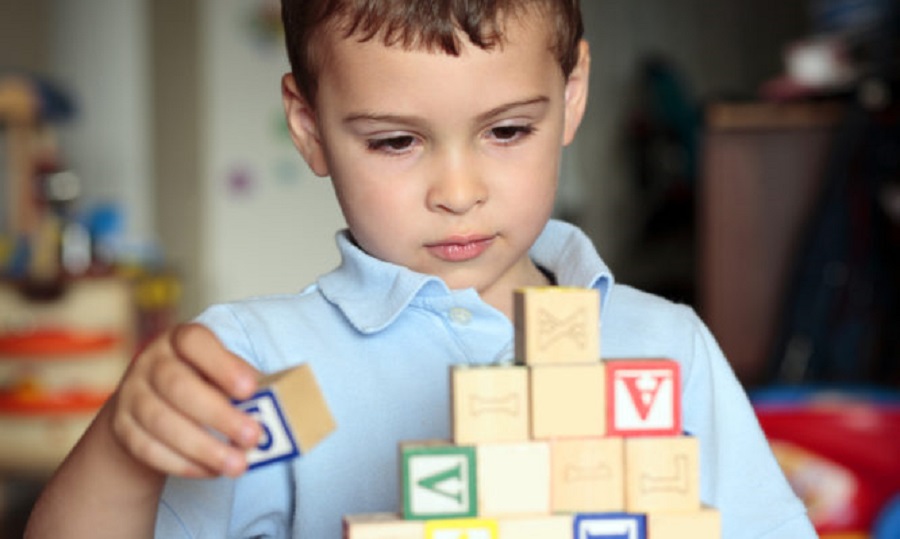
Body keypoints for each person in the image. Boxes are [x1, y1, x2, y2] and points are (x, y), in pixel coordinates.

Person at [26, 1, 817, 537]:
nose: (459, 192)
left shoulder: (667, 348)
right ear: (309, 128)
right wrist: (126, 446)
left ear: (571, 94)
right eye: (396, 142)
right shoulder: (249, 362)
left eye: (507, 130)